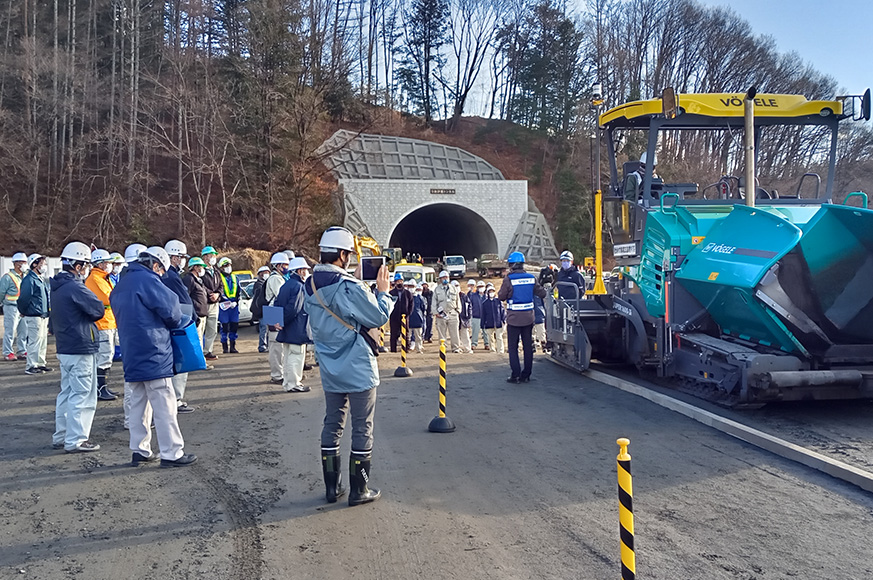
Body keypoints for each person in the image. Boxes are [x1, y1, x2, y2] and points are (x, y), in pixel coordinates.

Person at [304, 226, 392, 506]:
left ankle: (332, 488)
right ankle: (359, 490)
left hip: (329, 365)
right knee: (362, 427)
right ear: (342, 255)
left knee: (332, 423)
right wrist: (383, 292)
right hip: (357, 364)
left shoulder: (311, 284)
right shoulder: (348, 287)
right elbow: (377, 316)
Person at [110, 246, 197, 468]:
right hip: (154, 351)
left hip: (131, 351)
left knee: (139, 404)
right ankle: (172, 453)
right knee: (164, 404)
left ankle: (139, 449)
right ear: (156, 265)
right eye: (162, 270)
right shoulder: (149, 281)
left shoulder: (121, 284)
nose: (162, 275)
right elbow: (173, 312)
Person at [50, 242, 106, 453]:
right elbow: (97, 308)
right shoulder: (75, 287)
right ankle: (76, 439)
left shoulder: (58, 286)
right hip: (80, 345)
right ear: (78, 265)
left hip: (65, 346)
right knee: (83, 394)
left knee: (67, 392)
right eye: (85, 264)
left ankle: (62, 435)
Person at [498, 251, 547, 384]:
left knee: (513, 347)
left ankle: (516, 375)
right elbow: (542, 293)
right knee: (527, 346)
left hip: (514, 319)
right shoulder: (531, 278)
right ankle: (526, 375)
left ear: (512, 265)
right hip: (528, 318)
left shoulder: (509, 279)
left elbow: (501, 296)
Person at [163, 240, 196, 414]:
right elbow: (184, 301)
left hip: (173, 322)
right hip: (180, 323)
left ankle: (173, 399)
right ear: (174, 257)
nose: (183, 260)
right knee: (181, 362)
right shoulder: (171, 276)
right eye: (182, 257)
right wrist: (193, 320)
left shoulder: (168, 275)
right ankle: (175, 399)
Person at [84, 249, 120, 401]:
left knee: (108, 355)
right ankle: (99, 388)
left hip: (109, 321)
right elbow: (108, 298)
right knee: (104, 356)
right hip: (103, 323)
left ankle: (102, 386)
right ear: (101, 263)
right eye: (108, 263)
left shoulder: (103, 278)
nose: (111, 265)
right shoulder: (95, 279)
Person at [275, 257, 312, 393]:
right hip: (296, 328)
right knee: (296, 357)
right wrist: (283, 321)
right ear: (300, 271)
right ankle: (294, 383)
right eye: (305, 270)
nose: (306, 272)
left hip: (287, 329)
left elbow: (277, 305)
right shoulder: (299, 287)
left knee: (288, 356)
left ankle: (288, 382)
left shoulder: (285, 285)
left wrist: (278, 322)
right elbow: (293, 309)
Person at [18, 253, 51, 375]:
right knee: (34, 341)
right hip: (33, 315)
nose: (45, 266)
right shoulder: (29, 280)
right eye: (42, 264)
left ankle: (40, 363)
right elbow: (24, 298)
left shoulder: (39, 279)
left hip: (42, 314)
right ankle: (31, 365)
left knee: (42, 340)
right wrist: (23, 311)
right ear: (34, 265)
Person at [266, 252, 291, 385]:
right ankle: (276, 375)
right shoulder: (275, 279)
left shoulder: (280, 278)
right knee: (276, 347)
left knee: (280, 346)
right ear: (278, 265)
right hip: (274, 311)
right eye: (285, 264)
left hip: (275, 311)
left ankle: (281, 373)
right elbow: (281, 296)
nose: (287, 267)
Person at [1, 252, 28, 361]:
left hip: (23, 307)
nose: (25, 264)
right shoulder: (7, 277)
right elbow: (1, 292)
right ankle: (8, 352)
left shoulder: (26, 276)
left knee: (23, 330)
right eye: (23, 262)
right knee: (10, 330)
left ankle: (22, 350)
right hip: (11, 307)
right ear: (17, 264)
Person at [200, 246, 222, 360]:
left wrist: (217, 294)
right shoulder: (201, 271)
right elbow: (200, 286)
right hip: (204, 303)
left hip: (215, 304)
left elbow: (221, 286)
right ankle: (200, 354)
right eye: (211, 255)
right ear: (205, 257)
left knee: (212, 329)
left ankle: (208, 351)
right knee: (201, 329)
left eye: (214, 255)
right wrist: (210, 294)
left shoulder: (216, 271)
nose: (213, 257)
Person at [217, 257, 241, 354]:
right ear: (221, 268)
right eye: (226, 266)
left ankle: (232, 347)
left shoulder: (235, 278)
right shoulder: (219, 278)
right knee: (225, 327)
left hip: (234, 307)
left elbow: (238, 291)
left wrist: (236, 301)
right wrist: (226, 301)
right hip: (224, 306)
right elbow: (219, 290)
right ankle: (225, 347)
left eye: (229, 265)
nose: (228, 267)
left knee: (234, 326)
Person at [433, 270, 461, 352]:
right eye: (443, 278)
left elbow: (458, 300)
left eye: (446, 277)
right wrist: (435, 312)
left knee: (454, 332)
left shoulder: (454, 288)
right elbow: (434, 302)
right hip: (441, 314)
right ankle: (443, 347)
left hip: (452, 313)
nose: (445, 279)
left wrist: (458, 311)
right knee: (442, 332)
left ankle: (456, 348)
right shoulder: (437, 289)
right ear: (440, 279)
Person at [183, 257, 209, 337]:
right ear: (195, 267)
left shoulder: (199, 280)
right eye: (201, 267)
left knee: (201, 338)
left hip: (202, 314)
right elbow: (186, 296)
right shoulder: (189, 279)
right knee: (198, 338)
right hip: (196, 315)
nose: (203, 269)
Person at [388, 273, 412, 352]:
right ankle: (393, 350)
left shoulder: (408, 293)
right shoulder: (391, 293)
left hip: (405, 317)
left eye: (401, 281)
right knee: (394, 334)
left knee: (405, 334)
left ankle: (406, 349)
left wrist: (407, 314)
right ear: (395, 282)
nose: (399, 283)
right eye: (397, 281)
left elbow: (411, 304)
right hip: (394, 317)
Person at [251, 266, 271, 353]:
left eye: (267, 272)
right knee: (263, 328)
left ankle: (267, 345)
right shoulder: (258, 284)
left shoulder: (268, 283)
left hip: (267, 308)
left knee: (268, 329)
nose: (266, 274)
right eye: (264, 272)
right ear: (260, 274)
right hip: (262, 310)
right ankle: (262, 346)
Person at [481, 285, 505, 354]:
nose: (491, 293)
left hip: (498, 323)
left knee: (499, 337)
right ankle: (492, 349)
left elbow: (502, 312)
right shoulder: (485, 303)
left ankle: (500, 350)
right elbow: (483, 315)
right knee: (490, 338)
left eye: (492, 291)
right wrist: (482, 324)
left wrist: (503, 320)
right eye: (490, 292)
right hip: (489, 323)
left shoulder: (498, 301)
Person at [468, 280, 486, 351]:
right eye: (479, 287)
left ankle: (487, 344)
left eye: (482, 287)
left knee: (486, 332)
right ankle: (474, 344)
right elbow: (470, 305)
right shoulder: (473, 296)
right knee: (475, 331)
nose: (481, 288)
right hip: (476, 316)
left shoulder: (486, 296)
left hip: (485, 317)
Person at [409, 282, 426, 353]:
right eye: (410, 286)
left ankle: (419, 349)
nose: (411, 288)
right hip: (408, 320)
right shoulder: (407, 297)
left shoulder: (420, 298)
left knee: (418, 336)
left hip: (418, 319)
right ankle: (406, 348)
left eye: (413, 286)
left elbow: (423, 308)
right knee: (407, 335)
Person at [458, 280, 473, 353]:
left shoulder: (464, 296)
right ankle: (458, 348)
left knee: (465, 334)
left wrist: (468, 317)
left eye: (457, 286)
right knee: (456, 335)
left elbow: (469, 307)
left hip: (464, 319)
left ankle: (467, 348)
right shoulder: (450, 296)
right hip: (454, 319)